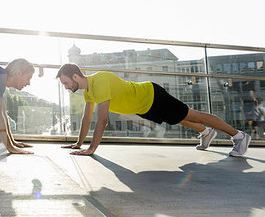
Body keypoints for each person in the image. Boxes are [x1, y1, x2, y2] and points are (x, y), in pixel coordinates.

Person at [57, 63, 251, 157]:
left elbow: (102, 120)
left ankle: (239, 136)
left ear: (75, 76)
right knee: (177, 118)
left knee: (192, 114)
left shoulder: (99, 81)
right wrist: (78, 143)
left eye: (66, 82)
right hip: (144, 106)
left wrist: (91, 149)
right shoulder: (88, 92)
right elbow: (86, 118)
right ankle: (206, 132)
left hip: (152, 96)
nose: (66, 87)